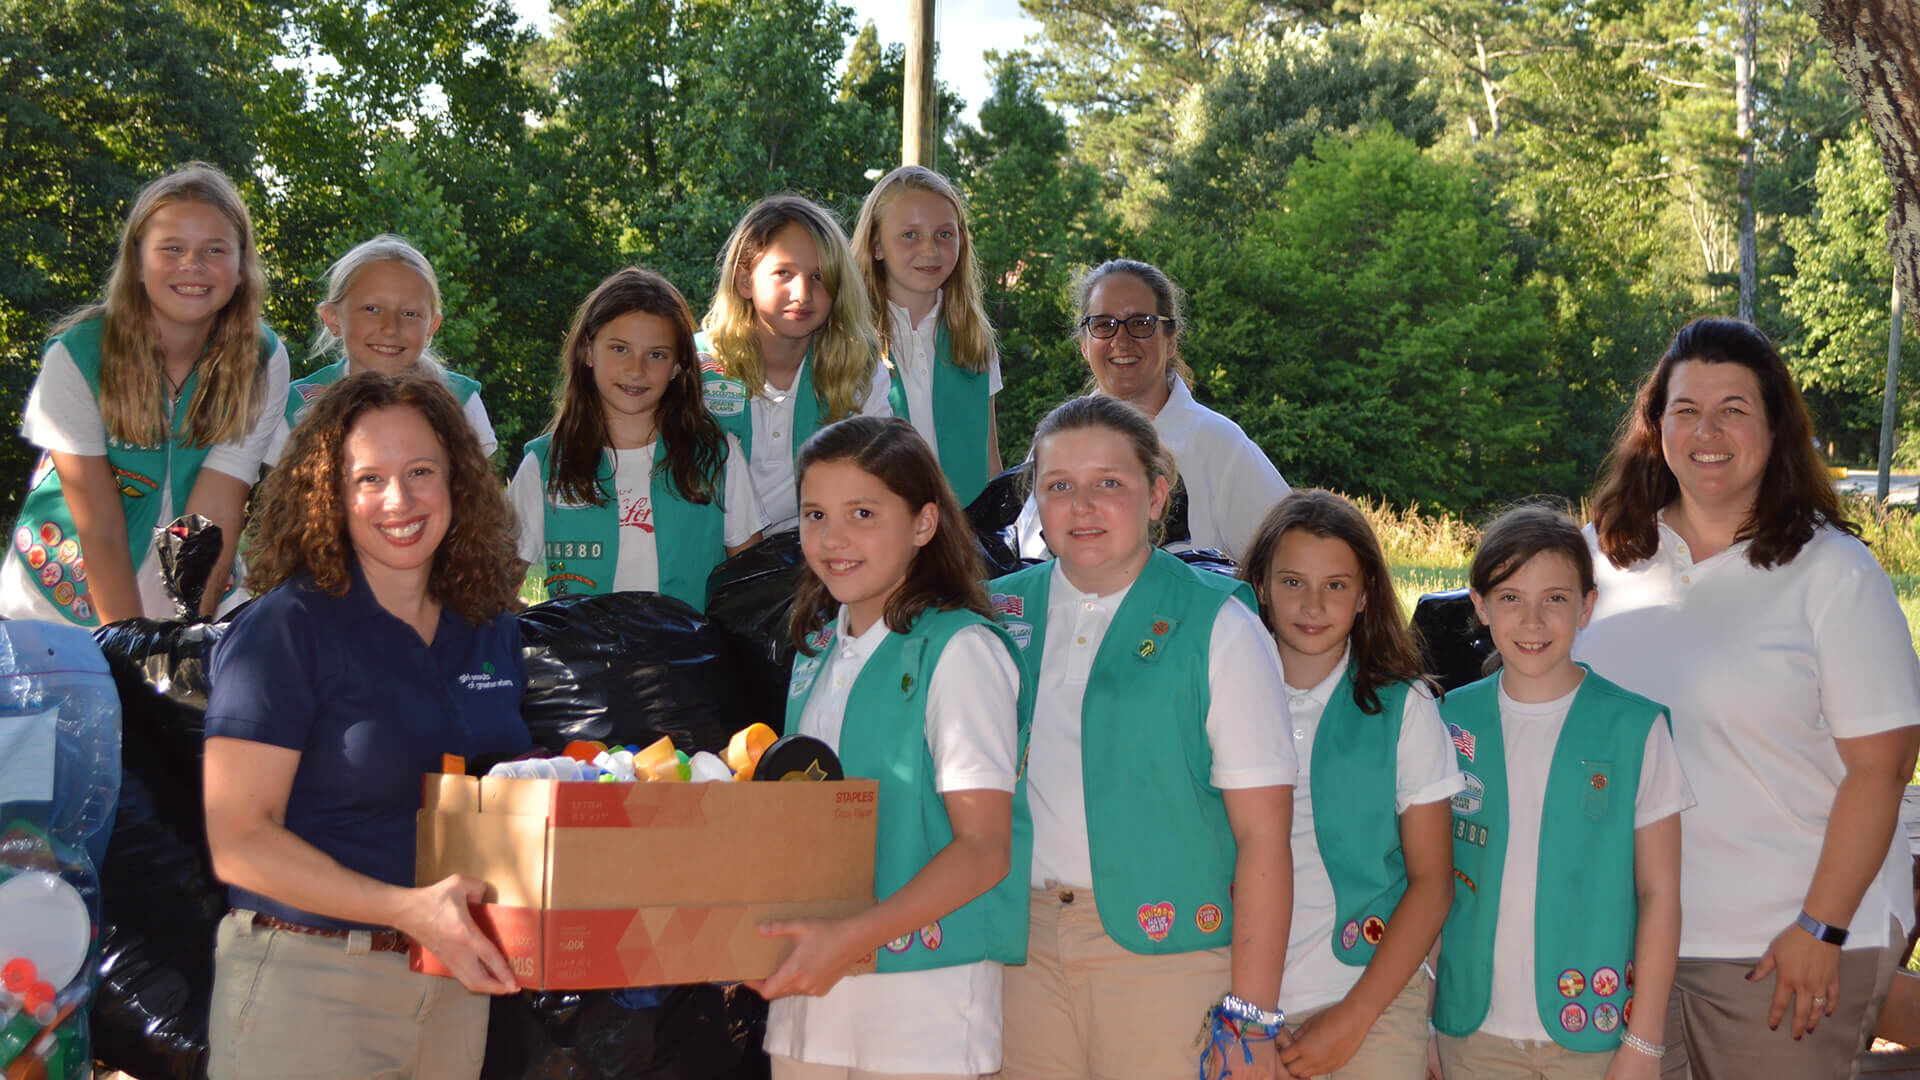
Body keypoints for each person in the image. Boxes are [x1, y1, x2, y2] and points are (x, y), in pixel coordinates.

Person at [1577, 317, 1920, 1079]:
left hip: (1782, 945)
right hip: (1630, 942)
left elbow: (1883, 770)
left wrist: (1819, 929)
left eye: (1734, 408)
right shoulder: (1601, 554)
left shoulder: (1834, 571)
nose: (1709, 431)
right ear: (1655, 425)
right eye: (1687, 409)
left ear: (1775, 428)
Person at [201, 371, 527, 1079]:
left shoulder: (490, 630)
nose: (399, 501)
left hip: (453, 982)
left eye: (420, 473)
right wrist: (407, 909)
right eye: (369, 478)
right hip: (308, 983)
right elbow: (238, 843)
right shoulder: (286, 629)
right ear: (330, 495)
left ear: (459, 483)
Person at [989, 394, 1295, 1080]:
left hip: (1169, 956)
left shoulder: (1220, 624)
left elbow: (1265, 838)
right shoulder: (995, 612)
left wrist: (1253, 1017)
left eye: (1110, 484)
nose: (1082, 506)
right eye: (1059, 486)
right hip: (1020, 947)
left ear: (1158, 496)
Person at [754, 414, 1030, 1079]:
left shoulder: (959, 650)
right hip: (811, 995)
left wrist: (848, 939)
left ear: (924, 524)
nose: (833, 538)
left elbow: (984, 850)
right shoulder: (818, 645)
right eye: (815, 514)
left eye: (863, 513)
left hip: (923, 1010)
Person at [1433, 504, 1691, 1079]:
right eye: (1510, 598)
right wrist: (1425, 1022)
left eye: (1554, 598)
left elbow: (1659, 895)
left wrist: (1644, 1043)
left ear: (1587, 606)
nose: (1532, 621)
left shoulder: (1635, 729)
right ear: (1478, 605)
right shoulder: (1447, 723)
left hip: (1595, 1035)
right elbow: (1427, 884)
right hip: (1470, 1033)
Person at [2, 163, 289, 625]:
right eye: (171, 248)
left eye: (215, 249)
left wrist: (188, 635)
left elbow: (214, 512)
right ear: (137, 262)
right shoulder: (75, 356)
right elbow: (102, 531)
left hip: (191, 591)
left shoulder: (263, 358)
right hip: (61, 600)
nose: (193, 265)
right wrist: (130, 646)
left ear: (241, 269)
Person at [1238, 490, 1461, 1079]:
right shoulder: (1220, 699)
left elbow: (1433, 883)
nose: (1313, 604)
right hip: (1240, 1000)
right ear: (1259, 585)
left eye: (1336, 585)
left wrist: (1354, 1017)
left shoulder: (1403, 707)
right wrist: (1245, 1017)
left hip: (1369, 995)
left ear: (1365, 594)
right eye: (1292, 582)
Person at [508, 267, 764, 608]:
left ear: (678, 367)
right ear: (587, 350)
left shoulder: (717, 456)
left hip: (692, 658)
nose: (636, 369)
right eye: (619, 348)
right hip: (585, 659)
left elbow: (751, 585)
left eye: (656, 355)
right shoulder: (545, 466)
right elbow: (492, 584)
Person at [1014, 259, 1290, 563]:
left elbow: (1291, 558)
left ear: (1170, 341)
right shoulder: (1055, 442)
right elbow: (1023, 558)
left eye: (1141, 323)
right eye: (1104, 324)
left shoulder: (1220, 444)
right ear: (1084, 345)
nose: (1121, 340)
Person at [700, 195, 891, 533]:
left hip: (813, 561)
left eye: (818, 277)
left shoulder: (858, 370)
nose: (802, 293)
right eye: (783, 273)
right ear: (745, 280)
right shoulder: (696, 367)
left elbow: (877, 487)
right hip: (704, 559)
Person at [266, 234, 497, 465]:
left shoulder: (461, 401)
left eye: (410, 314)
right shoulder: (294, 407)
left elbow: (476, 495)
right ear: (333, 318)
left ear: (431, 327)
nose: (390, 328)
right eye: (372, 308)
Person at [851, 166, 1004, 506]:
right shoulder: (847, 339)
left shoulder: (973, 336)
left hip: (964, 534)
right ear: (876, 245)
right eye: (910, 235)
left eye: (944, 234)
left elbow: (989, 460)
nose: (930, 250)